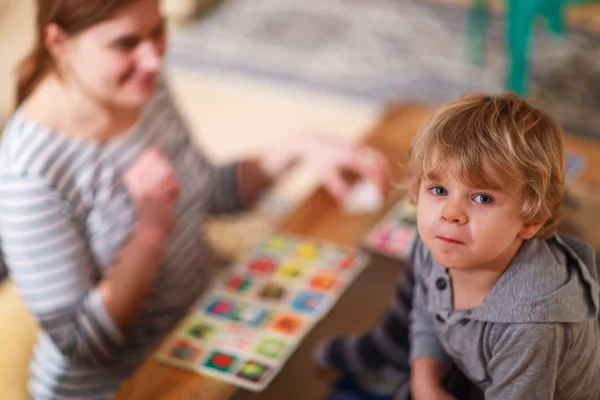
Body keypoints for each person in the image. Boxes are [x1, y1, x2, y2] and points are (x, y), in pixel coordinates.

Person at [0, 0, 390, 398]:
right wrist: (149, 233)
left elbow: (205, 193)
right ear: (58, 42)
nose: (153, 59)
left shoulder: (144, 85)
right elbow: (83, 346)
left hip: (206, 326)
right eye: (125, 43)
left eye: (158, 32)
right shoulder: (28, 176)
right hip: (124, 384)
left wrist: (295, 150)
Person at [315, 93, 600, 400]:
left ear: (530, 221)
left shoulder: (533, 327)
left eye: (482, 198)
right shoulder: (441, 245)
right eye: (438, 189)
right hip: (474, 367)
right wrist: (425, 380)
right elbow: (427, 310)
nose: (450, 214)